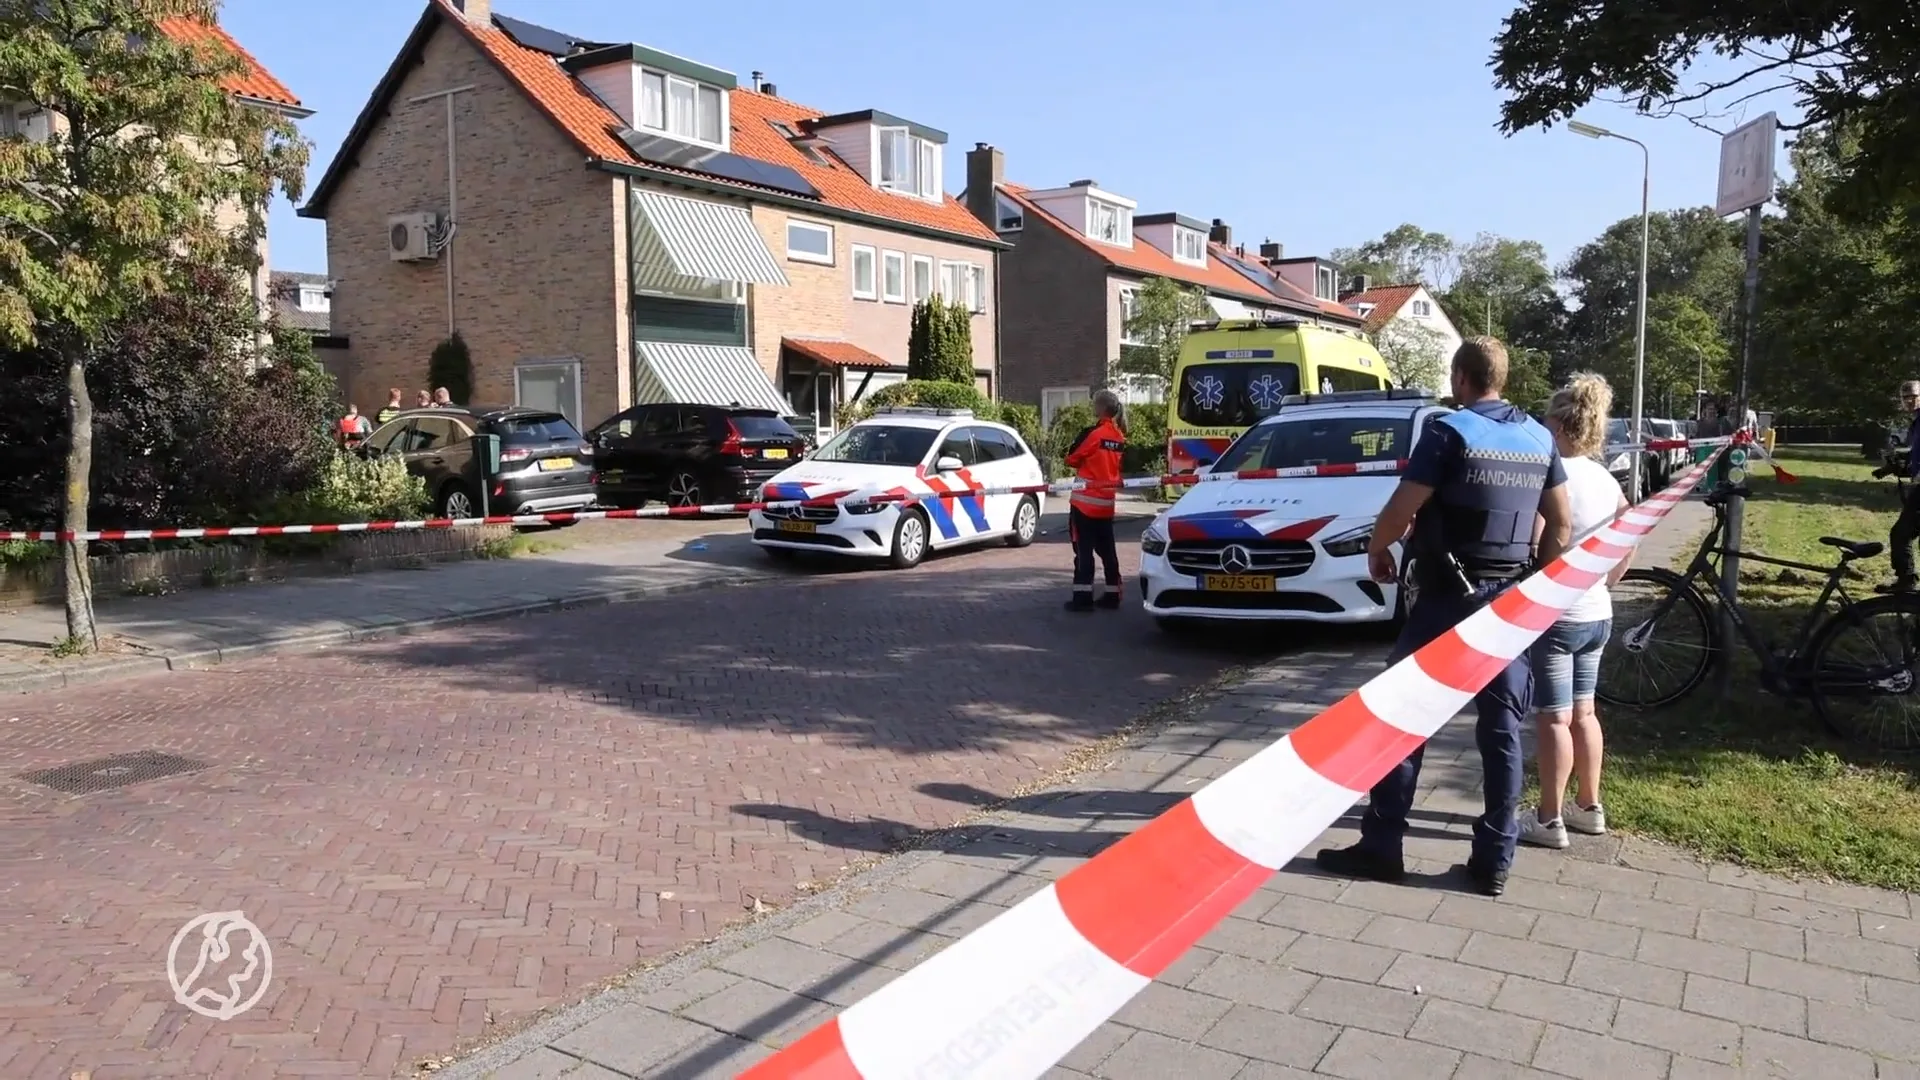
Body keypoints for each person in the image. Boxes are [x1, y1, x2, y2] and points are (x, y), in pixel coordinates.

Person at [1316, 337, 1573, 897]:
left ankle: (1382, 845)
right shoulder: (1538, 437)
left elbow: (1402, 508)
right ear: (1501, 378)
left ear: (1461, 378)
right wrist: (1540, 585)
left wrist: (1378, 548)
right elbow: (1560, 523)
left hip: (1445, 601)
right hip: (1509, 604)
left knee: (1400, 718)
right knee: (1502, 733)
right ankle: (1494, 861)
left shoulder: (1448, 432)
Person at [1521, 373, 1631, 849]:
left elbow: (1537, 539)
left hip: (1558, 615)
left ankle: (1549, 819)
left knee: (1553, 718)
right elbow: (1628, 531)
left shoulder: (1552, 475)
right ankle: (1589, 806)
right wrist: (1608, 579)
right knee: (1585, 712)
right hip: (1597, 612)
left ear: (1560, 426)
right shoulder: (1606, 479)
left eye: (1546, 422)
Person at [1064, 389, 1126, 611]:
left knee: (1083, 551)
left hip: (1085, 504)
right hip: (1106, 504)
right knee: (1108, 551)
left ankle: (1082, 598)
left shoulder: (1094, 434)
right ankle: (1112, 594)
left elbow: (1071, 458)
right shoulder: (1119, 436)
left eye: (1094, 404)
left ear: (1100, 407)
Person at [1876, 380, 1920, 593]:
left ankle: (1907, 581)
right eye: (1905, 397)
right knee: (1902, 534)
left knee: (1901, 534)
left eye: (1914, 396)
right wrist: (1897, 466)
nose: (1909, 401)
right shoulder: (1916, 423)